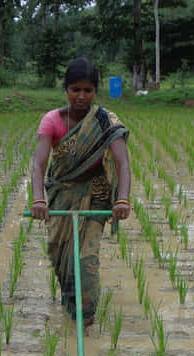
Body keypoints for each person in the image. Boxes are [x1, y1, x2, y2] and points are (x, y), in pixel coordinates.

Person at [30, 58, 131, 326]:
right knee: (61, 257)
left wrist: (122, 199)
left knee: (86, 260)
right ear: (66, 89)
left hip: (96, 196)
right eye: (75, 89)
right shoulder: (52, 120)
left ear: (96, 91)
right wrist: (38, 198)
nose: (81, 96)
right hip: (61, 196)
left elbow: (122, 163)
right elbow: (39, 164)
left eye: (88, 90)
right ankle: (71, 306)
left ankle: (86, 321)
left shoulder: (105, 121)